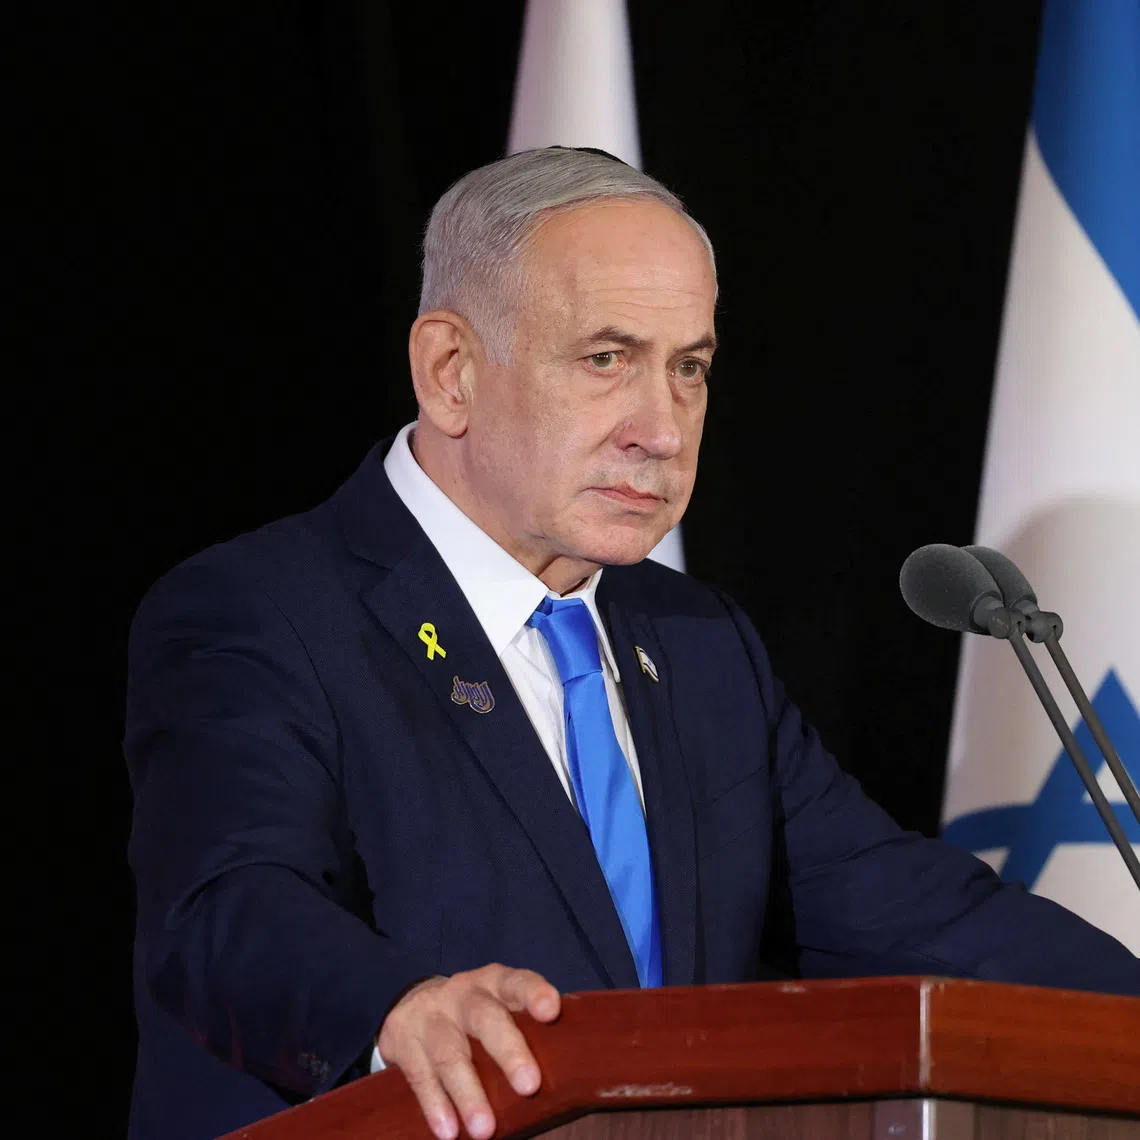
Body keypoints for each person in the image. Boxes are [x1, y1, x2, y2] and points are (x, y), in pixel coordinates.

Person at [124, 147, 1140, 1140]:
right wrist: (397, 1006)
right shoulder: (261, 611)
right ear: (450, 373)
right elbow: (226, 905)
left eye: (689, 368)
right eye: (606, 359)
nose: (661, 427)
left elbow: (917, 916)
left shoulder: (699, 644)